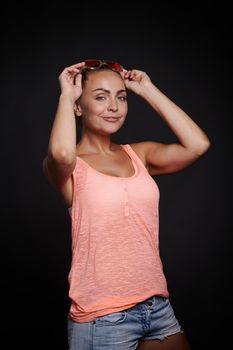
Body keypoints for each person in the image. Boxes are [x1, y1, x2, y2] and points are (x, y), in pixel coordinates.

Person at [42, 59, 210, 350]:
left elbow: (197, 145)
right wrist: (66, 95)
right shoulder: (69, 168)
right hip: (103, 316)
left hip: (155, 306)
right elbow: (60, 152)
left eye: (121, 97)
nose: (114, 106)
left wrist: (147, 90)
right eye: (100, 97)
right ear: (79, 108)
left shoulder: (139, 154)